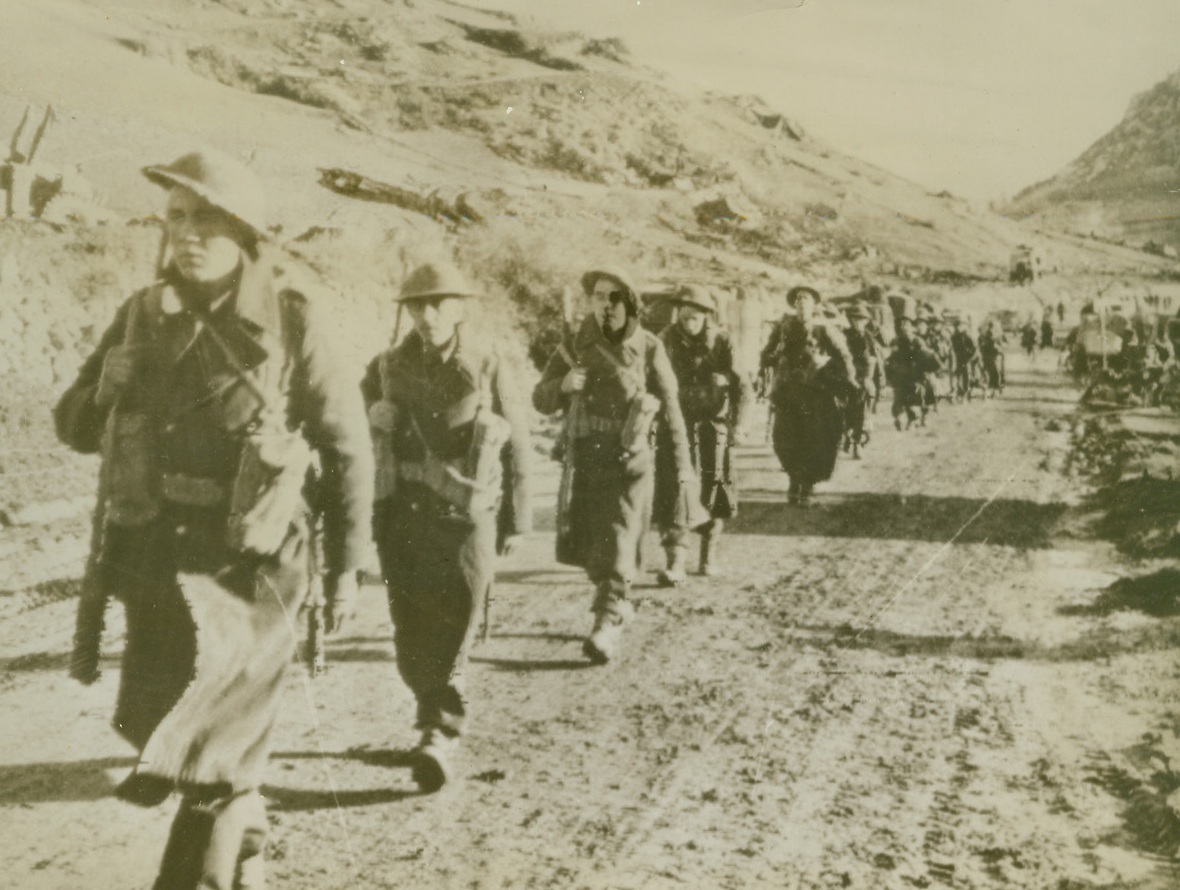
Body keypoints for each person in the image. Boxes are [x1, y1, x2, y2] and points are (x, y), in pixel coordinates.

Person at [54, 149, 373, 890]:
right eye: (175, 218)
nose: (186, 235)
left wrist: (350, 567)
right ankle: (246, 822)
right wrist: (105, 387)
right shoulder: (141, 314)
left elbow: (348, 445)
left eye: (204, 220)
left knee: (206, 755)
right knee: (158, 729)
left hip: (255, 568)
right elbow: (71, 427)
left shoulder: (292, 318)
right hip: (160, 560)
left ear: (242, 233)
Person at [362, 262, 532, 791]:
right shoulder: (386, 365)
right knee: (409, 623)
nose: (428, 314)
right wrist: (372, 415)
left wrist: (516, 518)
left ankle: (440, 728)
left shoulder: (485, 364)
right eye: (417, 305)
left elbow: (519, 444)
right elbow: (350, 431)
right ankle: (429, 709)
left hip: (465, 517)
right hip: (404, 515)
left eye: (439, 304)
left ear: (459, 308)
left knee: (457, 616)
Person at [533, 267, 691, 664]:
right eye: (598, 296)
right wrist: (564, 385)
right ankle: (617, 600)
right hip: (586, 457)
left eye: (614, 296)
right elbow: (541, 398)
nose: (605, 304)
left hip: (630, 458)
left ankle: (607, 617)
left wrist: (682, 466)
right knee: (592, 541)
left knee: (618, 535)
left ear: (630, 302)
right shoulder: (573, 344)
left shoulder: (650, 346)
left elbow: (671, 412)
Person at [652, 284, 748, 582]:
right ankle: (676, 560)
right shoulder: (664, 341)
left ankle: (709, 553)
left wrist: (740, 425)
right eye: (684, 313)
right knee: (673, 490)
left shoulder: (722, 341)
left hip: (712, 427)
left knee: (713, 488)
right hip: (674, 427)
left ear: (707, 315)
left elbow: (742, 386)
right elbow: (649, 380)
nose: (689, 320)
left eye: (696, 315)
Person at [759, 285, 854, 506]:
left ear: (814, 304)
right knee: (785, 439)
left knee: (815, 439)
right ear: (794, 304)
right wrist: (776, 355)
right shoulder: (783, 328)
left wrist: (836, 375)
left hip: (816, 395)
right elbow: (766, 356)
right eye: (798, 299)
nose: (802, 303)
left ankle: (808, 486)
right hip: (788, 393)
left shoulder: (824, 329)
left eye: (806, 299)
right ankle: (794, 481)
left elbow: (844, 356)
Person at [886, 312, 940, 430]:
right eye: (900, 325)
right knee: (899, 400)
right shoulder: (895, 341)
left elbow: (926, 356)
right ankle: (900, 418)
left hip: (916, 376)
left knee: (917, 400)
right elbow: (890, 358)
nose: (903, 327)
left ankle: (917, 419)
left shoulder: (917, 341)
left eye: (906, 324)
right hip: (900, 376)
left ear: (911, 327)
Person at [841, 302, 880, 458]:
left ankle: (857, 443)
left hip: (863, 380)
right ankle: (847, 437)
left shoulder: (869, 338)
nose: (858, 322)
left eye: (862, 319)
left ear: (866, 321)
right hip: (845, 379)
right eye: (855, 319)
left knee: (861, 413)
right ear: (850, 320)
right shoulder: (844, 336)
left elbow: (876, 360)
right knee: (844, 411)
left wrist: (877, 382)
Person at [949, 316, 980, 401]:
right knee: (957, 375)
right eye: (956, 326)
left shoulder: (967, 335)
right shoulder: (954, 337)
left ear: (963, 326)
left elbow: (975, 349)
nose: (958, 328)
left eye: (960, 326)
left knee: (967, 375)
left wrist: (970, 359)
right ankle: (959, 391)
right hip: (960, 358)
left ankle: (968, 392)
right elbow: (953, 348)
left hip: (969, 358)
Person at [978, 320, 1006, 397]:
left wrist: (999, 348)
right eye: (990, 327)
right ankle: (992, 390)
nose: (991, 329)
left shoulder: (995, 336)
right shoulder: (985, 336)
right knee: (991, 373)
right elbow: (982, 346)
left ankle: (995, 390)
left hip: (994, 356)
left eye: (992, 327)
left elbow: (1001, 345)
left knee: (995, 373)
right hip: (988, 356)